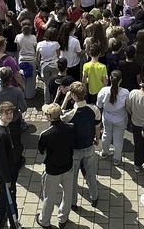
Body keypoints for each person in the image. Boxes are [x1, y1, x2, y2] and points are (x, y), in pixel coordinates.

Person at [61, 82, 101, 210]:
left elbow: (59, 116)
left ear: (73, 95)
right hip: (89, 147)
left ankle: (73, 203)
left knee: (73, 178)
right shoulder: (94, 109)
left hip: (74, 150)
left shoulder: (70, 114)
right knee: (90, 174)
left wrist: (66, 100)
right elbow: (97, 126)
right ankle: (94, 197)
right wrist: (97, 139)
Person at [36, 103, 75, 229]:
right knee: (67, 194)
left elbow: (41, 150)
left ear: (49, 117)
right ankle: (63, 219)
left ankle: (45, 221)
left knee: (49, 197)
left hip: (52, 170)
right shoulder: (71, 127)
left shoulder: (45, 134)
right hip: (68, 167)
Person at [0, 101, 22, 229]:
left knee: (4, 195)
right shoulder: (1, 134)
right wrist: (8, 179)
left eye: (11, 113)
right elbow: (1, 160)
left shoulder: (4, 128)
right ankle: (13, 224)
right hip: (7, 173)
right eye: (6, 113)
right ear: (0, 114)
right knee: (10, 198)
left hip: (9, 170)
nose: (10, 116)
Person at [96, 70, 129, 166]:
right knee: (118, 139)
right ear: (121, 80)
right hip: (120, 119)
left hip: (107, 118)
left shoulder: (104, 91)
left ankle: (105, 152)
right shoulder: (125, 92)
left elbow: (99, 105)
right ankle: (117, 158)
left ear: (110, 78)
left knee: (106, 135)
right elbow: (127, 106)